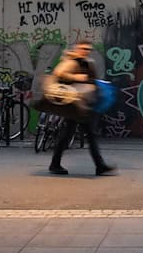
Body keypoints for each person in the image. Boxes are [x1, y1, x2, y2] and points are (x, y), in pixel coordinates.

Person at [48, 41, 116, 176]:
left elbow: (92, 80)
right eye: (83, 48)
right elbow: (58, 73)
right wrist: (76, 77)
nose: (86, 51)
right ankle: (55, 164)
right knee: (70, 135)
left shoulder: (87, 62)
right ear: (77, 48)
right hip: (73, 104)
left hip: (84, 103)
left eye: (88, 49)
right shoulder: (71, 61)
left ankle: (99, 165)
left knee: (87, 135)